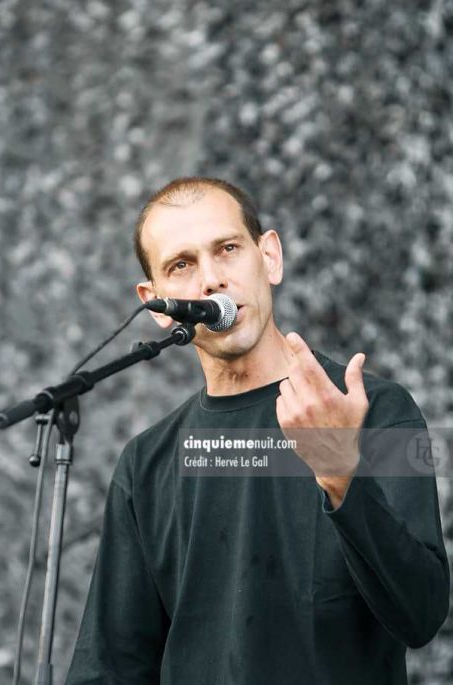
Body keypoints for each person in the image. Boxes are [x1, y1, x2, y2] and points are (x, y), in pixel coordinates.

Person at [66, 177, 450, 684]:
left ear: (269, 257)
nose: (211, 280)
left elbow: (421, 614)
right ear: (155, 302)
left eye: (227, 249)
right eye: (182, 265)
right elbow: (111, 666)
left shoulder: (376, 409)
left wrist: (340, 471)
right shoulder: (146, 463)